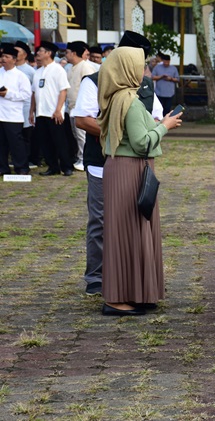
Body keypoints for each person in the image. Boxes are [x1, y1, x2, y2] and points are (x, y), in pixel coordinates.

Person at [98, 46, 182, 316]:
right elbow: (142, 143)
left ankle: (135, 292)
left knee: (131, 232)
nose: (145, 71)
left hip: (123, 168)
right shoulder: (130, 101)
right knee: (129, 232)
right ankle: (116, 299)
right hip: (129, 170)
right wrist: (165, 127)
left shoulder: (117, 96)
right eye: (141, 66)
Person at [73, 31, 158, 297]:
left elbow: (154, 117)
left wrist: (148, 130)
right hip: (102, 162)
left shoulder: (144, 84)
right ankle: (96, 277)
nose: (143, 64)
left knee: (133, 220)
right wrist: (120, 133)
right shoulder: (95, 80)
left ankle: (129, 278)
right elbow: (82, 120)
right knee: (100, 219)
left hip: (136, 165)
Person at [31, 40, 74, 176]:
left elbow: (63, 90)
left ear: (48, 53)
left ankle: (66, 166)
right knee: (45, 141)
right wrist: (32, 111)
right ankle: (52, 166)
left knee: (60, 140)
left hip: (54, 112)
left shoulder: (58, 69)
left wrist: (58, 109)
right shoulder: (38, 72)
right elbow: (34, 93)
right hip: (41, 112)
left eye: (40, 51)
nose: (37, 53)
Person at [0, 43, 32, 175]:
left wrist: (8, 94)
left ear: (14, 59)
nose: (3, 59)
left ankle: (21, 168)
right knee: (1, 145)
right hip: (0, 114)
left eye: (6, 57)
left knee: (16, 144)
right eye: (2, 56)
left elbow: (26, 95)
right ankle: (3, 168)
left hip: (13, 115)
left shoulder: (20, 76)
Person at [66, 41, 96, 171]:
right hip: (72, 107)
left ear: (73, 53)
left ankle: (85, 159)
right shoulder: (71, 67)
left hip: (82, 108)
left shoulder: (85, 67)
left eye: (67, 52)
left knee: (82, 135)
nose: (65, 55)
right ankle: (80, 157)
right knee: (76, 135)